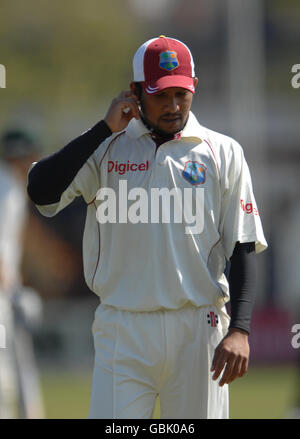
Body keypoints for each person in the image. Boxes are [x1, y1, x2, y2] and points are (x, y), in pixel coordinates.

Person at [27, 36, 268, 419]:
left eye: (181, 94)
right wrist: (102, 130)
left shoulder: (223, 153)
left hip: (198, 328)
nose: (173, 106)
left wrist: (239, 329)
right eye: (160, 95)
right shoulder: (107, 147)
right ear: (136, 92)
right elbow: (41, 191)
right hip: (123, 328)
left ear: (194, 88)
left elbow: (241, 245)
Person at [0, 130, 44, 418]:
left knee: (18, 365)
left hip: (7, 291)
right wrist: (10, 289)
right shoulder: (7, 188)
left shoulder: (10, 185)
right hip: (3, 294)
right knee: (7, 367)